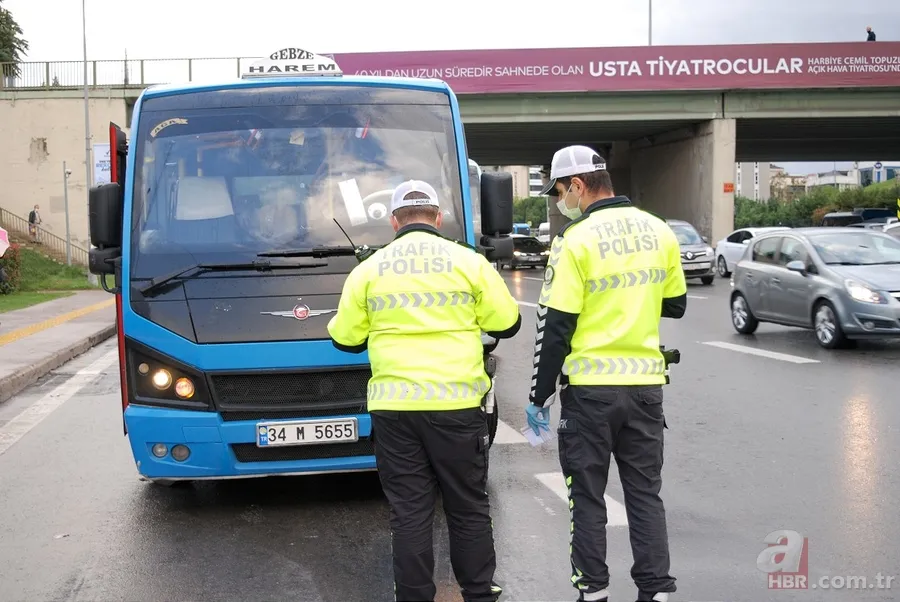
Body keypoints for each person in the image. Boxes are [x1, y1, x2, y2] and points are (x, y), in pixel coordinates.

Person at [327, 179, 521, 602]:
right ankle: (479, 593)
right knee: (468, 507)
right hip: (457, 408)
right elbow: (507, 323)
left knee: (409, 513)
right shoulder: (468, 262)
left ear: (395, 222)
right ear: (437, 217)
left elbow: (344, 338)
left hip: (395, 413)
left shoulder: (368, 270)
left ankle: (414, 596)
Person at [524, 145, 687, 602]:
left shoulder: (573, 241)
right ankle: (656, 592)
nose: (560, 200)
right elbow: (674, 305)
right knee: (645, 495)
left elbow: (553, 328)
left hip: (591, 393)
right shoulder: (659, 230)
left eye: (559, 191)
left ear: (577, 185)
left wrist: (538, 396)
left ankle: (593, 591)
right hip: (645, 389)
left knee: (587, 497)